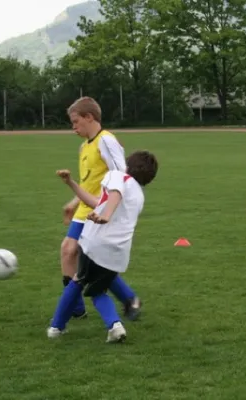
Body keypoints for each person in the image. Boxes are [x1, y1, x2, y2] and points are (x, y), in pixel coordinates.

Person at [47, 150, 159, 343]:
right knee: (98, 288)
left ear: (128, 164)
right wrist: (71, 183)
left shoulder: (118, 175)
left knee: (79, 280)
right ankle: (115, 325)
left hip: (96, 242)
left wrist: (105, 216)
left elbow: (114, 194)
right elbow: (96, 203)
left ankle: (56, 327)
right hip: (119, 251)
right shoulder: (139, 195)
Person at [58, 96, 141, 321]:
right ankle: (76, 308)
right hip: (85, 209)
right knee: (68, 252)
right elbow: (89, 182)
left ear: (89, 117)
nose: (73, 127)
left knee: (91, 260)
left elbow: (121, 175)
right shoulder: (84, 146)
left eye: (75, 121)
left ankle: (129, 298)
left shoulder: (107, 141)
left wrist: (110, 210)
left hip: (101, 211)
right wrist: (74, 203)